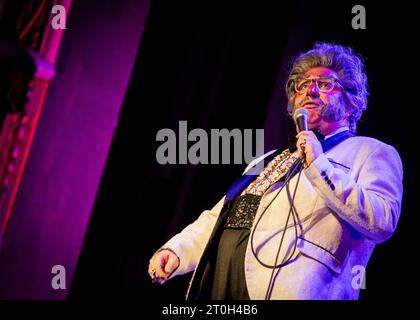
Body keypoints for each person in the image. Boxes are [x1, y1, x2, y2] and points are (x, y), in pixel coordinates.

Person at [148, 42, 403, 300]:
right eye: (303, 85)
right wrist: (178, 249)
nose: (310, 91)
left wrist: (319, 165)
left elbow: (381, 221)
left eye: (325, 85)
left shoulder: (370, 151)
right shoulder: (268, 159)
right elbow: (222, 216)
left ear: (350, 104)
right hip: (221, 285)